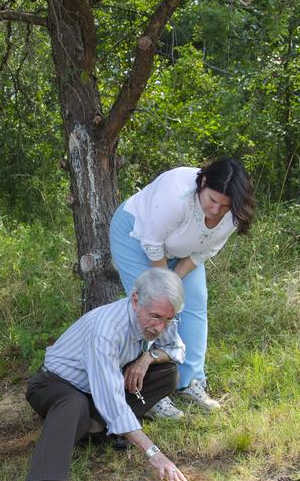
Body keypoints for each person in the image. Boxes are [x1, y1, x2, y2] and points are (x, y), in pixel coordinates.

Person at [17, 267, 190, 481]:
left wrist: (147, 358)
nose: (160, 327)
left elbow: (176, 349)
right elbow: (112, 400)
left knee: (166, 373)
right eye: (155, 318)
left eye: (168, 320)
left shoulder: (160, 317)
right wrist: (154, 452)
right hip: (55, 385)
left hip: (98, 387)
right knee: (74, 405)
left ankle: (96, 428)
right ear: (135, 301)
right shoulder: (106, 331)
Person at [107, 157, 255, 419]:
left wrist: (176, 282)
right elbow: (152, 244)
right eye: (212, 201)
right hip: (136, 236)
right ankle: (149, 393)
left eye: (224, 206)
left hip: (183, 251)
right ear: (204, 183)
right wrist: (166, 289)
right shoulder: (175, 196)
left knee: (194, 303)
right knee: (151, 308)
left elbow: (203, 253)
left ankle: (190, 381)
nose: (215, 210)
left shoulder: (232, 214)